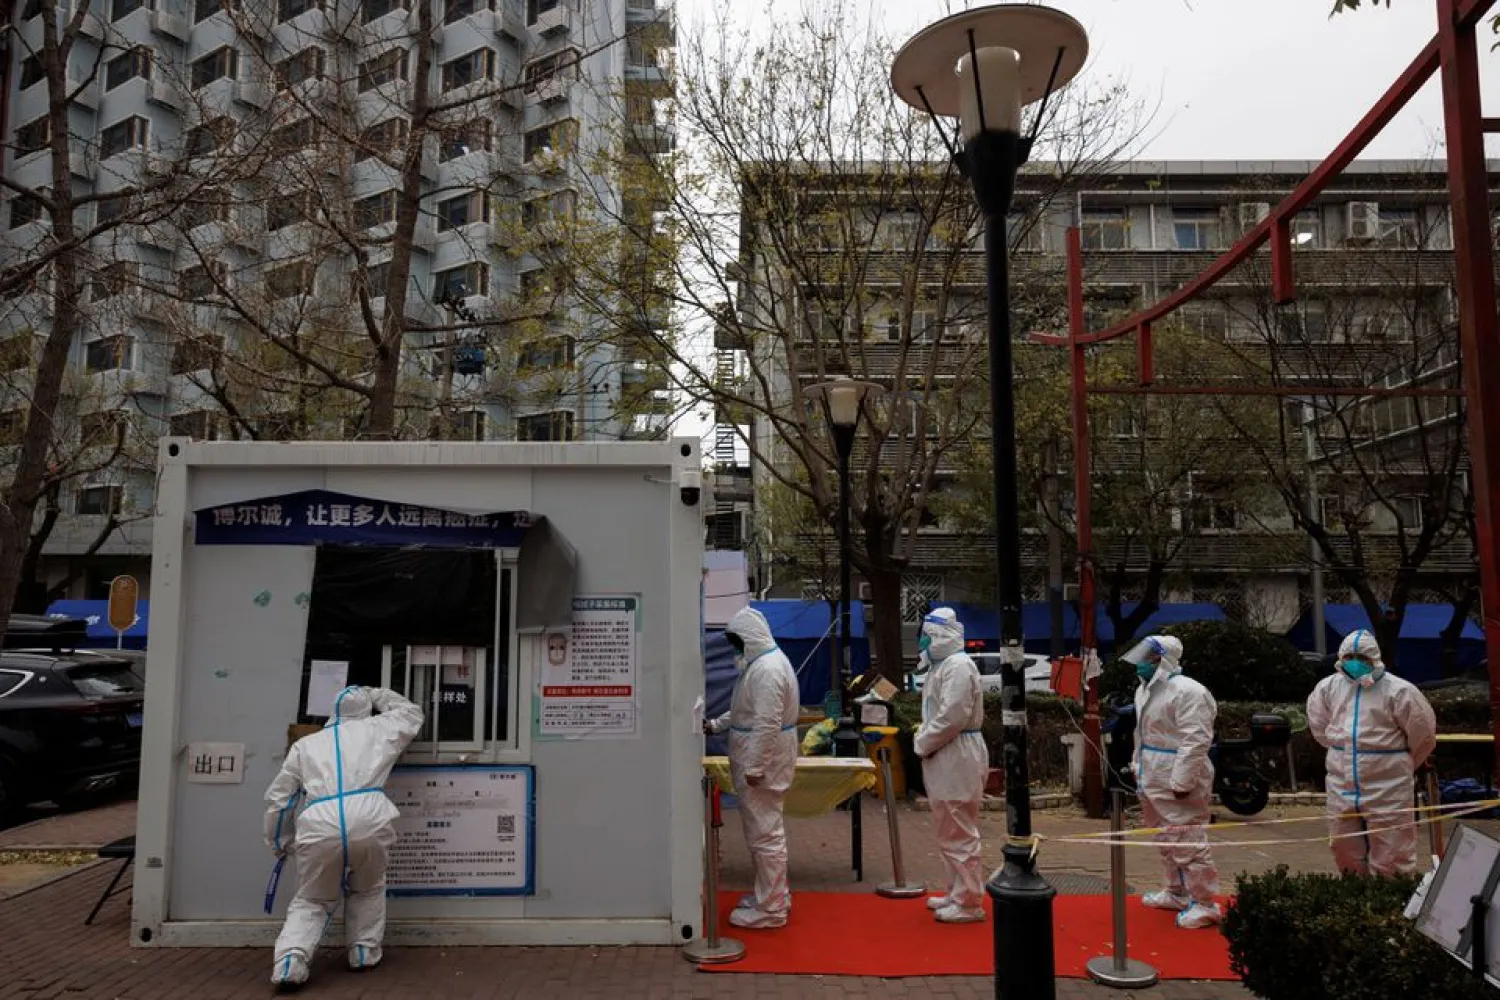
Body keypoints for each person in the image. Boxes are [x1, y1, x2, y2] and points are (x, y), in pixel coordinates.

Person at [263, 685, 424, 987]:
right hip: (370, 816)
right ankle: (363, 951)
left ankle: (290, 962)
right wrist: (376, 694)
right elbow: (412, 712)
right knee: (368, 887)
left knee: (313, 898)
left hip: (319, 821)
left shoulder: (306, 745)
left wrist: (278, 841)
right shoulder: (380, 728)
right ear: (366, 710)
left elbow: (280, 800)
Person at [1307, 629, 1437, 877]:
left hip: (1389, 786)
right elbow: (1319, 726)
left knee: (1392, 852)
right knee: (1343, 846)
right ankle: (1356, 902)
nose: (1355, 662)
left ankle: (1390, 906)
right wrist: (1345, 754)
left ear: (1375, 659)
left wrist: (1397, 763)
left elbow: (1423, 736)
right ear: (1341, 657)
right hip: (1340, 783)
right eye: (1350, 656)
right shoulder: (1327, 688)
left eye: (1362, 657)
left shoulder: (1400, 691)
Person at [705, 607, 799, 929]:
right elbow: (744, 711)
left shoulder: (767, 669)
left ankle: (771, 908)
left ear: (748, 638)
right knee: (765, 829)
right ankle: (772, 894)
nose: (734, 649)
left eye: (736, 642)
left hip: (764, 759)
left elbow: (766, 721)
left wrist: (756, 765)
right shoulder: (763, 665)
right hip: (762, 755)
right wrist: (716, 725)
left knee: (765, 833)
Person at [1124, 635, 1222, 929]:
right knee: (1165, 837)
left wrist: (1183, 781)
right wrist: (1137, 765)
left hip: (1176, 771)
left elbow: (1196, 740)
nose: (1140, 662)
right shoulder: (1146, 690)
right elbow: (1141, 734)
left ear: (1162, 659)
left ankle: (1205, 903)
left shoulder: (1188, 691)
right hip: (1152, 771)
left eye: (1147, 656)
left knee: (1187, 839)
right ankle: (1176, 891)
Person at [913, 607, 988, 924]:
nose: (921, 642)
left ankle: (969, 901)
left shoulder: (957, 666)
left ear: (938, 635)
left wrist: (921, 741)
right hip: (948, 751)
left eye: (925, 635)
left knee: (958, 827)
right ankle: (957, 891)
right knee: (949, 826)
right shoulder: (943, 666)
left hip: (956, 752)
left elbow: (951, 717)